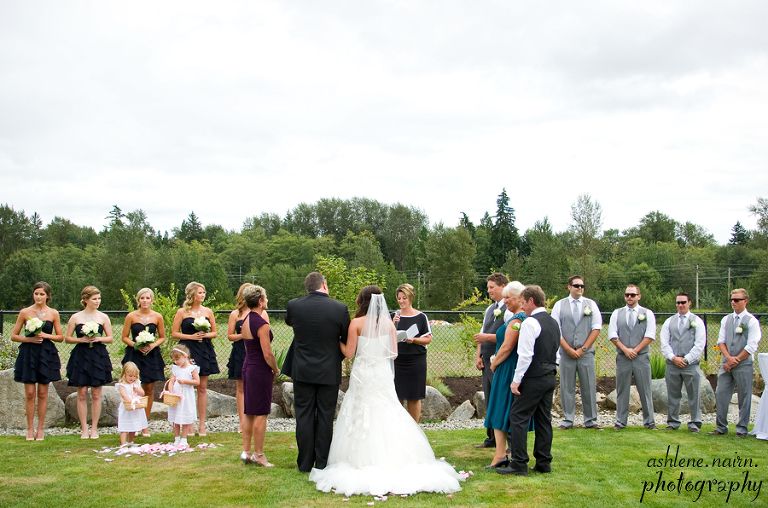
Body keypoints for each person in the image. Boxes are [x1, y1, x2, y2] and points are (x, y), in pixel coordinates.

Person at [309, 286, 464, 496]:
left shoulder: (356, 323)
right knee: (386, 409)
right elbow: (393, 354)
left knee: (361, 410)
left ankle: (360, 456)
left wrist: (336, 341)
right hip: (382, 374)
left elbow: (349, 353)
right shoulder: (388, 324)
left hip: (363, 374)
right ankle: (394, 454)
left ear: (362, 301)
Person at [282, 272, 350, 472]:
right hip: (328, 370)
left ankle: (304, 463)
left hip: (302, 369)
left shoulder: (294, 305)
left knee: (303, 415)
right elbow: (345, 338)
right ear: (324, 285)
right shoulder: (339, 308)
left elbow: (289, 322)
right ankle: (322, 462)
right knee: (325, 416)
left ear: (307, 287)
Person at [497, 285, 559, 476]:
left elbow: (525, 355)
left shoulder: (531, 323)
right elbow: (557, 352)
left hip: (533, 377)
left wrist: (516, 380)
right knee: (543, 419)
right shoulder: (553, 322)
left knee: (517, 417)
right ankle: (543, 462)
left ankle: (519, 463)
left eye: (523, 303)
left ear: (531, 301)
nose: (522, 307)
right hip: (549, 376)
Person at [10, 282, 64, 441]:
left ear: (47, 296)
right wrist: (30, 339)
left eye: (42, 294)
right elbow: (14, 336)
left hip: (46, 354)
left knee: (42, 392)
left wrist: (46, 336)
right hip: (28, 354)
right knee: (29, 393)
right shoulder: (25, 312)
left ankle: (40, 429)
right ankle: (30, 428)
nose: (38, 297)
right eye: (36, 293)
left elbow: (60, 337)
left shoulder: (53, 313)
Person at [484, 281, 529, 468]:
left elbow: (507, 347)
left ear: (519, 298)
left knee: (500, 409)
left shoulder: (518, 320)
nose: (505, 301)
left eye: (508, 298)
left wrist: (494, 364)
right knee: (501, 410)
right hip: (507, 367)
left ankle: (501, 454)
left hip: (507, 369)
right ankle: (501, 453)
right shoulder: (519, 318)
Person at [550, 275, 602, 429]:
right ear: (569, 287)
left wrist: (583, 348)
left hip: (586, 353)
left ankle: (591, 420)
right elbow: (556, 329)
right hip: (566, 353)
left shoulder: (591, 304)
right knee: (567, 387)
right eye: (577, 285)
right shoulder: (559, 305)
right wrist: (567, 349)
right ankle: (568, 420)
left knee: (589, 386)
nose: (580, 288)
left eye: (582, 286)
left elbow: (596, 328)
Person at [710, 288, 762, 437]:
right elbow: (721, 341)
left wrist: (735, 360)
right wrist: (728, 358)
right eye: (731, 300)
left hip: (743, 364)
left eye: (736, 300)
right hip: (726, 364)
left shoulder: (752, 321)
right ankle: (721, 427)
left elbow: (752, 346)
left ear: (745, 301)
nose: (733, 302)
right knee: (721, 393)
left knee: (744, 397)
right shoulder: (726, 319)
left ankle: (742, 429)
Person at [65, 286, 114, 440]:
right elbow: (67, 338)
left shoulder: (103, 317)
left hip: (98, 355)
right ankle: (84, 429)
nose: (97, 301)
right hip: (81, 355)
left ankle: (94, 428)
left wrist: (98, 338)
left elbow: (110, 338)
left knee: (96, 394)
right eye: (94, 299)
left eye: (99, 298)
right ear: (86, 300)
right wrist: (80, 339)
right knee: (82, 394)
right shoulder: (75, 317)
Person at [240, 285, 280, 467]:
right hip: (259, 369)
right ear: (260, 301)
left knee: (249, 411)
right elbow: (268, 354)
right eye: (266, 297)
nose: (267, 300)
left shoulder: (246, 320)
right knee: (261, 413)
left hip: (247, 366)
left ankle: (247, 452)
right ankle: (259, 454)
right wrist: (276, 370)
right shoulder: (261, 323)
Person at [171, 281, 218, 437]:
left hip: (204, 350)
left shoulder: (208, 311)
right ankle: (188, 423)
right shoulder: (182, 312)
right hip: (187, 351)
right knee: (186, 386)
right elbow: (175, 333)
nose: (203, 295)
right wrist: (190, 336)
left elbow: (214, 333)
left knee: (202, 387)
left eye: (204, 292)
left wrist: (205, 334)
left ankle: (202, 424)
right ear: (192, 294)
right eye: (200, 292)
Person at [608, 285, 657, 430]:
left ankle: (649, 422)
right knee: (622, 390)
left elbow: (650, 335)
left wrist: (635, 350)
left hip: (641, 357)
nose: (629, 297)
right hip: (623, 357)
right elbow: (612, 334)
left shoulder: (647, 313)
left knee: (645, 390)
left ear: (638, 296)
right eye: (627, 295)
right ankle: (620, 422)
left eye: (633, 295)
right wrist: (625, 350)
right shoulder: (617, 313)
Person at [121, 288, 166, 437]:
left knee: (149, 389)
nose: (145, 301)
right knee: (134, 388)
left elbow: (162, 337)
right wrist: (136, 345)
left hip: (152, 356)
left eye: (147, 298)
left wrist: (152, 345)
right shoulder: (131, 316)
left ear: (152, 300)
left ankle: (144, 425)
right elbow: (124, 337)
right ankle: (133, 424)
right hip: (135, 355)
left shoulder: (157, 316)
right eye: (142, 298)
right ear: (138, 300)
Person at [659, 292, 706, 433]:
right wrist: (673, 358)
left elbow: (700, 344)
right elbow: (664, 343)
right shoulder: (669, 321)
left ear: (689, 303)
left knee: (694, 394)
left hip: (690, 364)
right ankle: (673, 422)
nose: (680, 305)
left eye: (683, 302)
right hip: (672, 364)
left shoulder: (697, 321)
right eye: (678, 302)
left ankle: (695, 423)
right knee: (673, 395)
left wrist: (686, 359)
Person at [473, 272, 509, 448]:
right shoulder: (489, 309)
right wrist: (479, 355)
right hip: (487, 360)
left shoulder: (509, 309)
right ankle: (492, 438)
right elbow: (482, 333)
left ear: (503, 287)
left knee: (501, 399)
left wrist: (487, 338)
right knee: (490, 399)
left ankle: (508, 441)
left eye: (491, 287)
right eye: (488, 287)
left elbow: (508, 336)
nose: (488, 291)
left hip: (500, 361)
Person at [391, 283, 432, 422]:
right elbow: (384, 337)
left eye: (404, 298)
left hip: (415, 361)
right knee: (396, 396)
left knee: (414, 396)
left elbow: (428, 339)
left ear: (411, 298)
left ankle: (414, 428)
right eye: (399, 298)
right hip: (397, 361)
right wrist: (392, 324)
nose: (401, 301)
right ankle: (397, 427)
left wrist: (413, 340)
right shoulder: (393, 316)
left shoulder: (421, 317)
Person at [227, 283, 254, 434]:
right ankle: (242, 422)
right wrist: (243, 335)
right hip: (239, 352)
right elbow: (230, 335)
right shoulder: (235, 314)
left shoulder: (260, 312)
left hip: (254, 352)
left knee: (254, 387)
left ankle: (254, 420)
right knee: (241, 387)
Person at [167, 345, 200, 447]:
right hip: (176, 395)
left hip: (186, 395)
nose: (175, 362)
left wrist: (185, 381)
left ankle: (184, 439)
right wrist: (171, 392)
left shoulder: (192, 368)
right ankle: (176, 438)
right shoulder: (175, 369)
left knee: (185, 417)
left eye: (177, 359)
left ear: (185, 356)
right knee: (175, 417)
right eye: (174, 360)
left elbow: (197, 381)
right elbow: (171, 381)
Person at [116, 361, 148, 447]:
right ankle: (123, 443)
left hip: (135, 407)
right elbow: (124, 395)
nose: (132, 378)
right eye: (130, 376)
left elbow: (143, 393)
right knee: (125, 426)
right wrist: (131, 402)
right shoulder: (122, 385)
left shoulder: (136, 383)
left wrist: (137, 390)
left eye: (134, 376)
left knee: (134, 425)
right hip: (127, 407)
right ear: (124, 374)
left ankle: (130, 441)